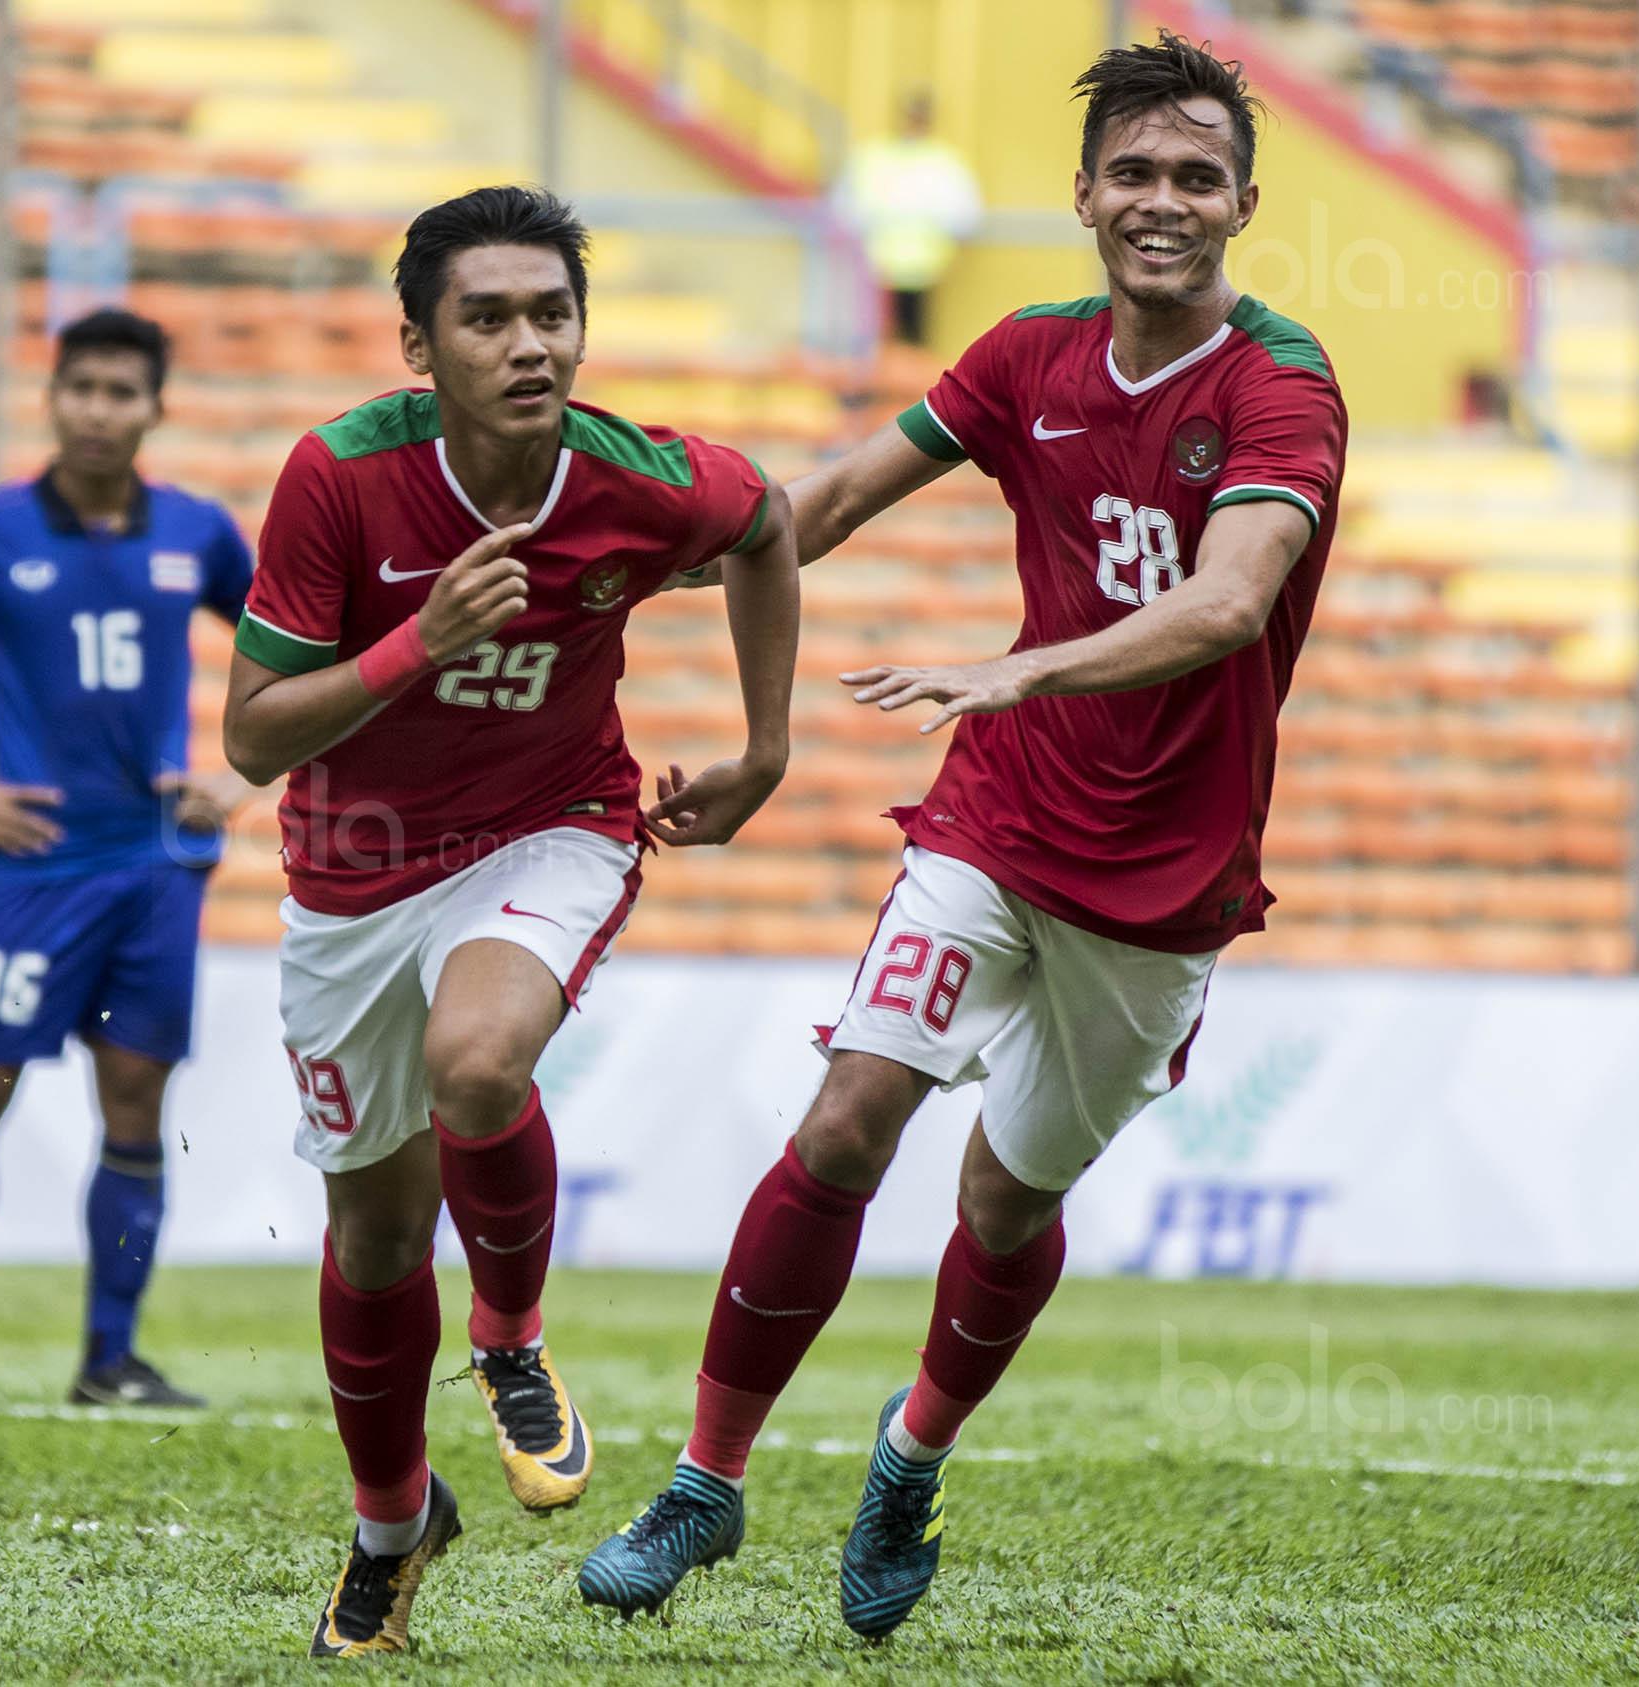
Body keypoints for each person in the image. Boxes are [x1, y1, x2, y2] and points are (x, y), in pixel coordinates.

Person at [577, 34, 1348, 1639]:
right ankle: (706, 1481)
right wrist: (637, 566)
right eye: (1132, 172)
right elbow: (831, 498)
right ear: (1081, 195)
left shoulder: (1282, 384)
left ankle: (910, 1455)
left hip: (1163, 879)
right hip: (995, 818)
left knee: (1005, 1202)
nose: (1160, 201)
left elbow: (1227, 605)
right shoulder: (1024, 355)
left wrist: (1018, 666)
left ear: (1245, 204)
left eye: (1195, 176)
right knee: (851, 1119)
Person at [222, 185, 802, 1658]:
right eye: (488, 317)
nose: (529, 343)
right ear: (420, 343)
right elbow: (249, 736)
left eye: (552, 314)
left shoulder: (633, 477)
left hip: (554, 825)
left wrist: (766, 745)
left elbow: (769, 520)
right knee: (369, 1234)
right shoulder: (337, 478)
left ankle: (510, 1337)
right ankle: (390, 1525)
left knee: (481, 1061)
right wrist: (424, 641)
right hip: (352, 871)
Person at [0, 307, 257, 1410]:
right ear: (52, 396)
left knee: (134, 1106)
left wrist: (247, 776)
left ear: (157, 408)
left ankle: (109, 1363)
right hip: (29, 874)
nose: (99, 410)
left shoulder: (200, 535)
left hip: (155, 875)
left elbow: (308, 653)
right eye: (82, 388)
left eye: (123, 391)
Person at [838, 90, 984, 348]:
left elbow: (964, 218)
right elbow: (846, 208)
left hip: (921, 274)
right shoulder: (875, 156)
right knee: (872, 344)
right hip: (874, 271)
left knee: (911, 343)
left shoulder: (943, 162)